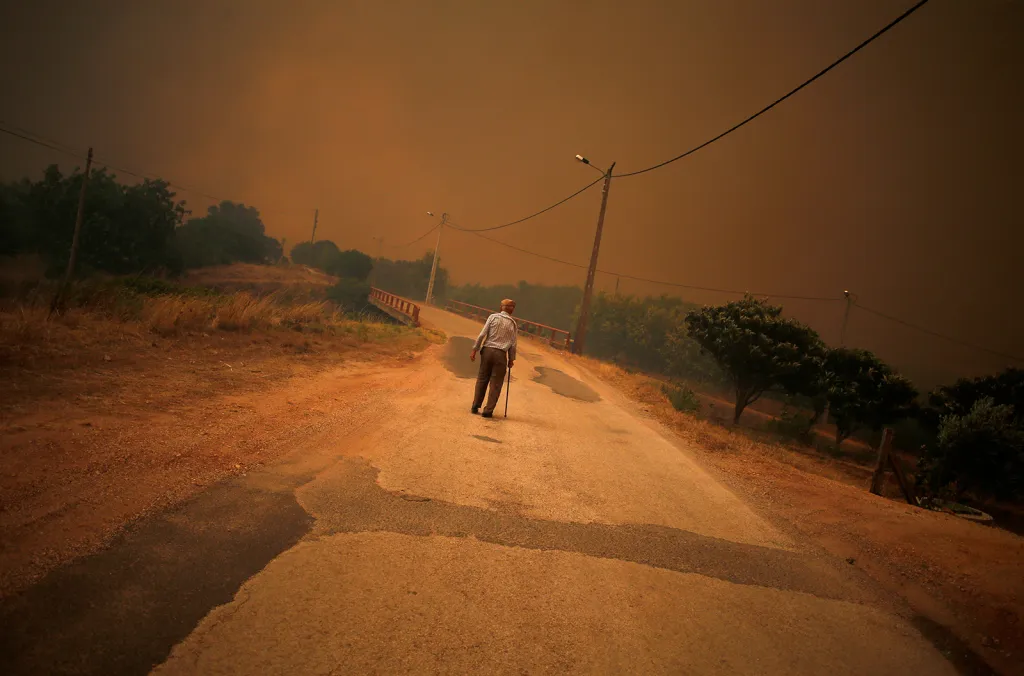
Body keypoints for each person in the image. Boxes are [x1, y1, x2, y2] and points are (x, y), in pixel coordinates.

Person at [470, 298, 518, 418]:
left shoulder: (493, 317)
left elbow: (482, 334)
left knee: (482, 378)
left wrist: (475, 349)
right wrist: (511, 359)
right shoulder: (513, 324)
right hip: (501, 354)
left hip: (487, 351)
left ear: (501, 307)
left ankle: (475, 405)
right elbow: (513, 344)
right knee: (496, 383)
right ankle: (488, 410)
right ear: (512, 310)